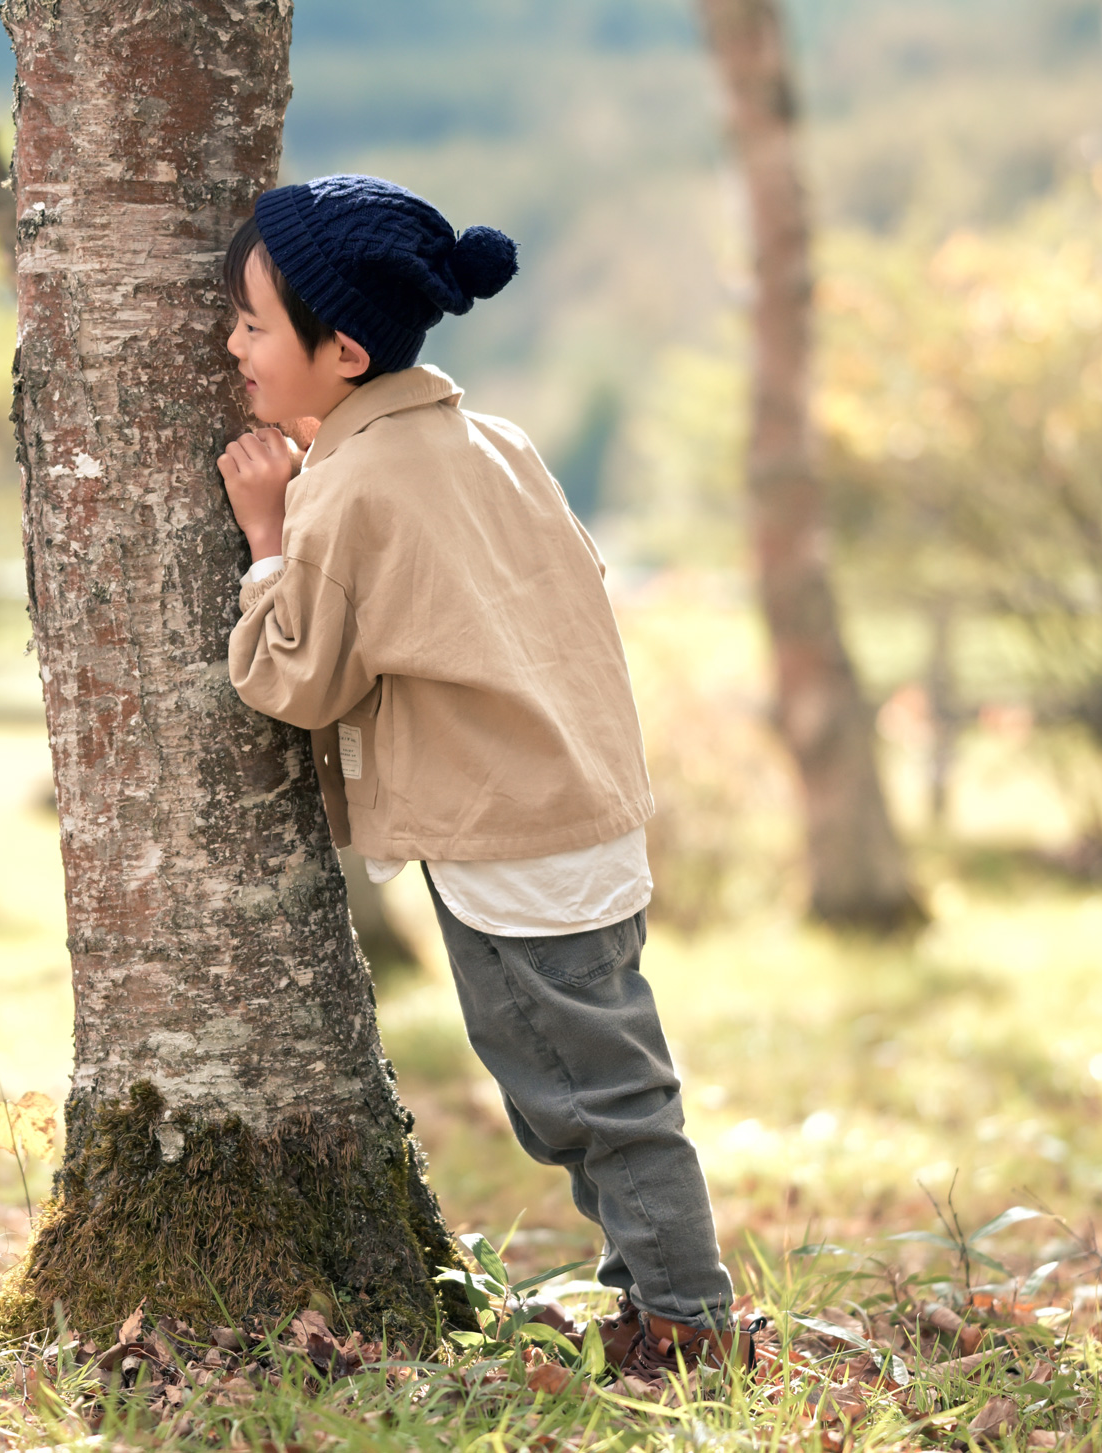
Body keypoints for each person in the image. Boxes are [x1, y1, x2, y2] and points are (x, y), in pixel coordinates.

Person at [217, 175, 754, 1372]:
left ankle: (686, 1326)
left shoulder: (352, 485)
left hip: (509, 837)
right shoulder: (489, 442)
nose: (232, 345)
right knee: (591, 1084)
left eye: (252, 324)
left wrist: (266, 536)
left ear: (343, 351)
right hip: (581, 802)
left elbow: (293, 677)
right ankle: (657, 1302)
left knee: (594, 1098)